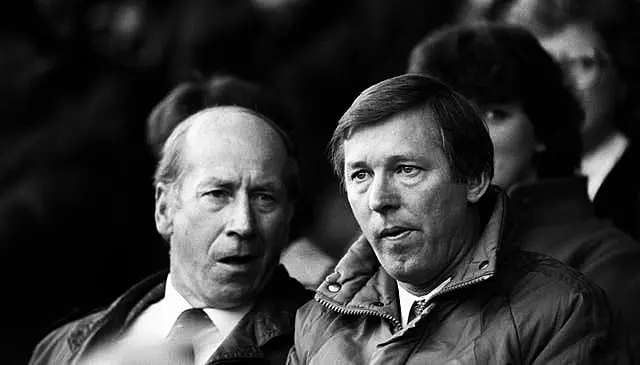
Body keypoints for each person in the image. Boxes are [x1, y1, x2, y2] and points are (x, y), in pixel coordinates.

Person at [286, 74, 631, 364]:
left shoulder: (562, 311)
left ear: (475, 179)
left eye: (406, 170)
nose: (378, 200)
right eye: (360, 175)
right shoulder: (316, 323)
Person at [407, 21, 640, 363]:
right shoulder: (396, 242)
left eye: (493, 113)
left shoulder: (607, 260)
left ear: (542, 130)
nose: (469, 135)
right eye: (450, 118)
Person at [29, 91, 312, 364]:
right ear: (164, 208)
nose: (243, 224)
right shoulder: (62, 349)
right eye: (217, 194)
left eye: (265, 198)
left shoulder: (327, 344)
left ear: (288, 216)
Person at [480, 0, 640, 241]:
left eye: (583, 63)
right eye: (546, 67)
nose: (563, 82)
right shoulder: (500, 185)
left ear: (619, 75)